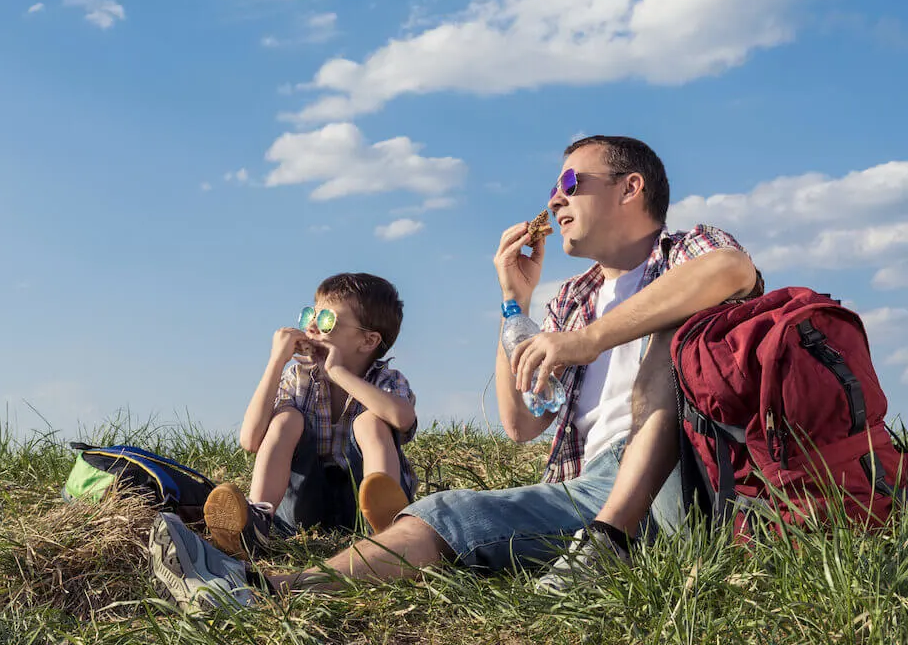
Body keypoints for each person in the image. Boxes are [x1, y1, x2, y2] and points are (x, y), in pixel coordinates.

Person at [147, 136, 762, 610]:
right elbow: (521, 424)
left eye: (572, 182)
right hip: (583, 487)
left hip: (681, 480)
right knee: (445, 512)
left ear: (630, 189)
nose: (555, 199)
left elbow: (730, 271)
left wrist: (586, 340)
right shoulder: (570, 298)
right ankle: (265, 589)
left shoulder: (682, 251)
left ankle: (609, 544)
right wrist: (513, 302)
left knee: (665, 336)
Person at [198, 272, 419, 562]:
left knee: (371, 421)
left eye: (326, 320)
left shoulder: (386, 380)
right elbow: (250, 440)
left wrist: (336, 372)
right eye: (308, 316)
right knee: (286, 419)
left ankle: (387, 530)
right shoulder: (298, 378)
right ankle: (256, 522)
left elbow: (402, 418)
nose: (312, 326)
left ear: (368, 341)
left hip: (362, 506)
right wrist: (277, 360)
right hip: (304, 507)